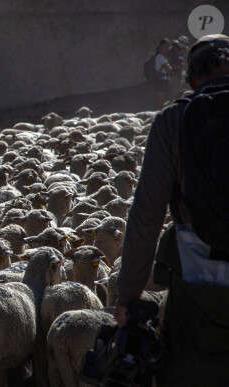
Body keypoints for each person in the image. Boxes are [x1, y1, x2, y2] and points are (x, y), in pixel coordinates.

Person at [115, 34, 229, 385]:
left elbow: (147, 215)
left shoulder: (173, 121)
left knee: (190, 369)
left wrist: (129, 295)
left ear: (191, 79)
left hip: (198, 279)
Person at [153, 38, 172, 109]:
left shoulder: (162, 57)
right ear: (160, 46)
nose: (167, 48)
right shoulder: (160, 56)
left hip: (164, 81)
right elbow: (169, 69)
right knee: (160, 103)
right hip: (161, 82)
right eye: (165, 46)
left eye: (168, 47)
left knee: (164, 102)